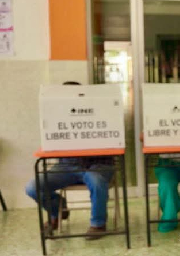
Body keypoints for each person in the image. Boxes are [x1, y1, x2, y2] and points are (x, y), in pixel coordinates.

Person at [24, 81, 113, 240]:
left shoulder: (100, 112)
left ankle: (98, 224)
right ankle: (57, 211)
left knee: (96, 180)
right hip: (67, 165)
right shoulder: (55, 117)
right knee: (33, 187)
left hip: (98, 163)